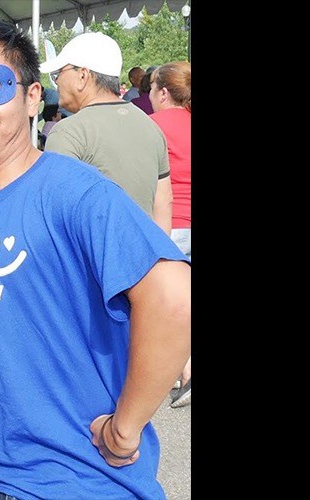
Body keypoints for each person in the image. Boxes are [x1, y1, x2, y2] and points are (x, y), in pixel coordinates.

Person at [0, 20, 191, 499]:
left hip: (79, 478)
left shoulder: (74, 192)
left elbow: (173, 296)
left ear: (33, 96)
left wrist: (126, 427)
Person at [42, 33, 172, 234]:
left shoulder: (68, 132)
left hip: (90, 261)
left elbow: (55, 213)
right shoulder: (151, 127)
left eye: (59, 73)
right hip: (146, 257)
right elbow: (163, 205)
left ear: (82, 76)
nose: (57, 82)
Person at [149, 61, 192, 409]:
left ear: (163, 92)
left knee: (167, 307)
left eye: (151, 88)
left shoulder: (150, 127)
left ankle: (184, 369)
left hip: (169, 224)